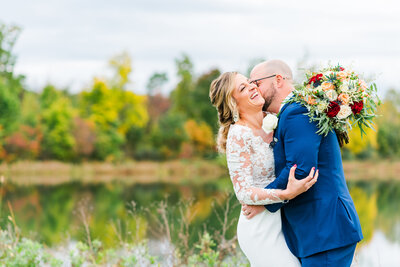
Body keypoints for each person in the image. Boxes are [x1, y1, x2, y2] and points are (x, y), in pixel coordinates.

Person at [242, 60, 363, 266]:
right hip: (317, 231)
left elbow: (300, 171)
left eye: (257, 83)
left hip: (324, 230)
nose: (254, 89)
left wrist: (263, 201)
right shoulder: (294, 111)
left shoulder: (297, 112)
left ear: (278, 80)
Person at [209, 71, 318, 266]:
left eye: (249, 82)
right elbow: (243, 193)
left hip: (284, 222)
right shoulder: (239, 135)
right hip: (259, 227)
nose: (251, 86)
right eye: (242, 88)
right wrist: (287, 194)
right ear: (233, 103)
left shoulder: (275, 118)